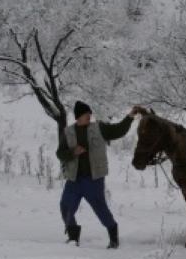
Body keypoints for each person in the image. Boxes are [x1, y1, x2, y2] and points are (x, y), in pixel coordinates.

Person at [56, 101, 141, 248]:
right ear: (78, 116)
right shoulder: (68, 132)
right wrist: (72, 152)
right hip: (73, 180)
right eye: (86, 114)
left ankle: (113, 238)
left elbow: (118, 130)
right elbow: (60, 153)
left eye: (90, 113)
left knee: (101, 210)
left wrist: (130, 117)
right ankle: (73, 237)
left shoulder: (99, 127)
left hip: (93, 180)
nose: (89, 116)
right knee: (65, 207)